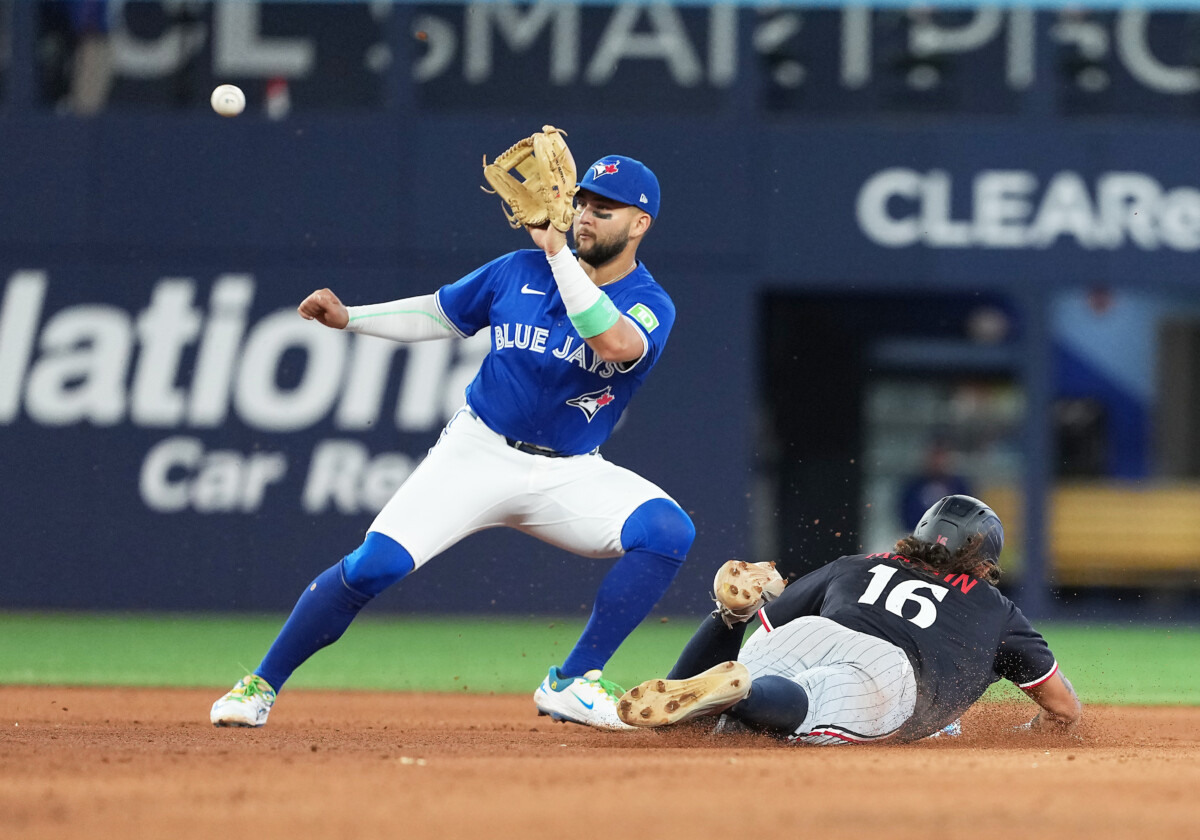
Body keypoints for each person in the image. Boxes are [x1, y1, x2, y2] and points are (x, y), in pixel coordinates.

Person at [210, 152, 694, 732]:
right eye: (583, 201)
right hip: (478, 451)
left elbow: (612, 342)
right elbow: (440, 314)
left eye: (605, 209)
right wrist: (350, 318)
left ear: (640, 223)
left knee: (668, 531)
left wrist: (558, 254)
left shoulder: (649, 301)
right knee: (372, 567)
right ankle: (259, 684)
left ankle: (572, 681)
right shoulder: (518, 269)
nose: (586, 215)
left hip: (569, 471)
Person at [616, 495, 1082, 743]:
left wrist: (743, 613)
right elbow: (1063, 709)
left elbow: (771, 622)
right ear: (985, 563)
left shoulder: (857, 564)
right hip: (885, 669)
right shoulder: (996, 609)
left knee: (711, 714)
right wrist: (1027, 733)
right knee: (807, 702)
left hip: (810, 632)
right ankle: (745, 693)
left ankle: (726, 619)